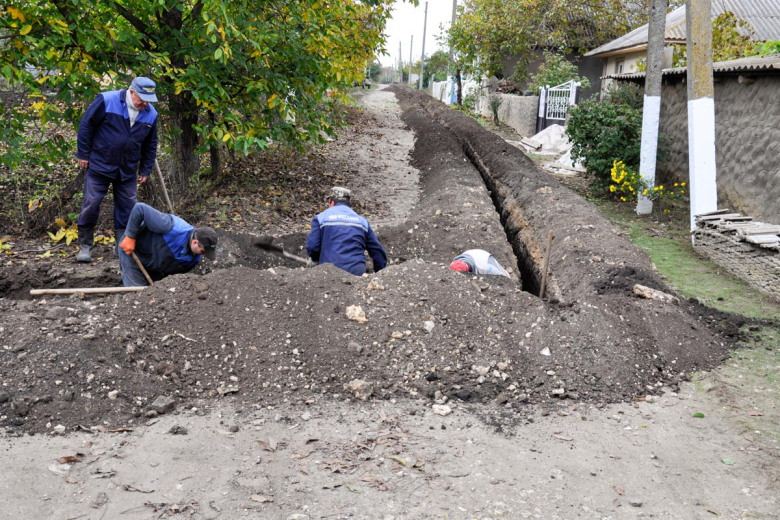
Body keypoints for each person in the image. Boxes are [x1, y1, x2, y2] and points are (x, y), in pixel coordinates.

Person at [75, 76, 159, 262]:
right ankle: (85, 246)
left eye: (149, 100)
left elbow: (150, 144)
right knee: (91, 204)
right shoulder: (107, 100)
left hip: (127, 169)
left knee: (128, 209)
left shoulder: (151, 114)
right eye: (142, 99)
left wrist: (145, 169)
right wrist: (83, 153)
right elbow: (86, 124)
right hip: (99, 164)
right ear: (131, 92)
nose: (145, 103)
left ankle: (121, 248)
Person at [117, 203, 218, 287]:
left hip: (153, 263)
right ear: (195, 242)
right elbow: (140, 208)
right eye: (203, 251)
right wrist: (130, 237)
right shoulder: (170, 227)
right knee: (136, 293)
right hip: (132, 250)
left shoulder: (193, 259)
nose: (203, 255)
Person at [306, 187, 387, 276]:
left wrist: (314, 259)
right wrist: (379, 275)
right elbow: (378, 252)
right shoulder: (362, 222)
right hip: (356, 272)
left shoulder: (321, 218)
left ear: (331, 202)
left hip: (329, 273)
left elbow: (313, 246)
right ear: (349, 203)